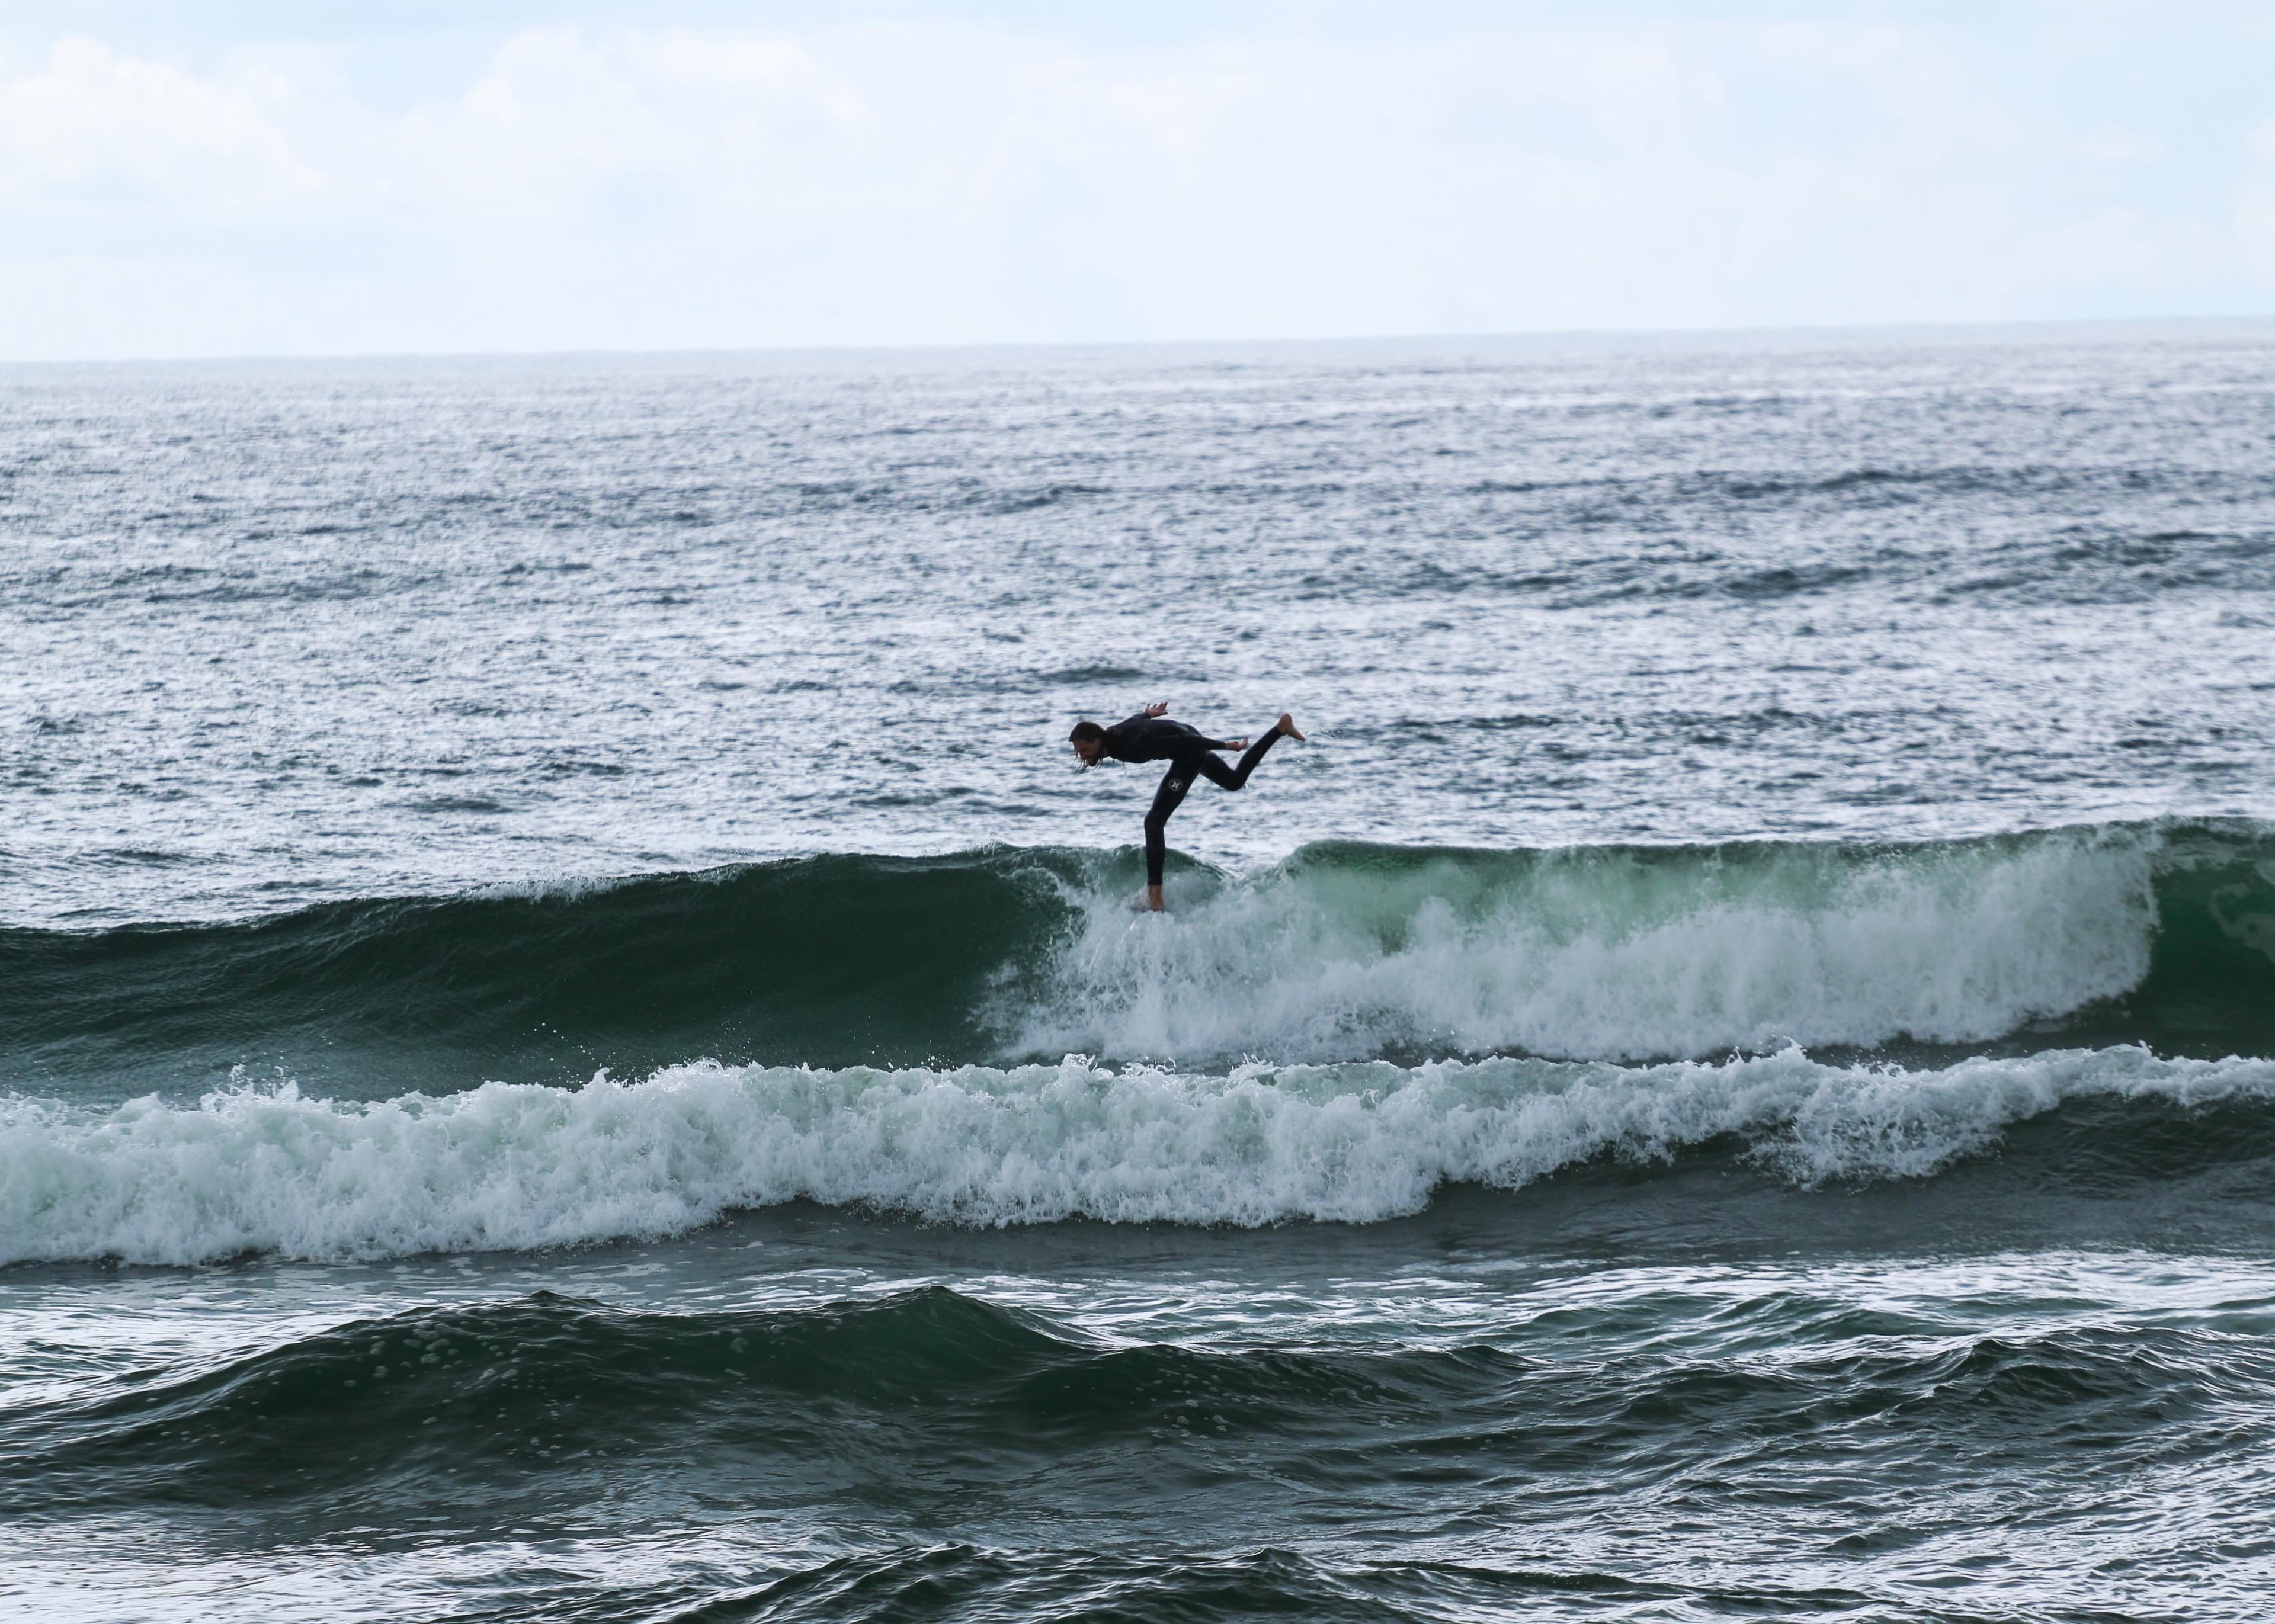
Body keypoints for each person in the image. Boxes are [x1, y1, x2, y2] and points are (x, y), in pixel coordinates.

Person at [1069, 701, 1305, 911]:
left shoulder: (1131, 746)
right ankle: (1280, 728)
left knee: (1153, 822)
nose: (1081, 756)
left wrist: (1224, 746)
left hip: (1190, 749)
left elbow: (1185, 741)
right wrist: (1148, 714)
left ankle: (1155, 896)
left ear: (1097, 741)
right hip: (1187, 745)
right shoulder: (1113, 735)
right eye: (1078, 751)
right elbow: (1133, 721)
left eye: (1083, 749)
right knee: (1234, 782)